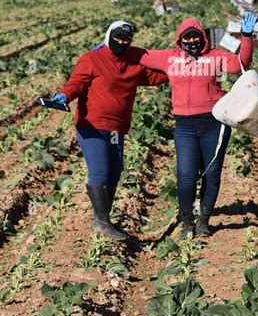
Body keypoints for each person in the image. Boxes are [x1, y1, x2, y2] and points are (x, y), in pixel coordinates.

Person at [137, 12, 257, 238]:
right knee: (186, 175)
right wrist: (108, 46)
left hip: (214, 123)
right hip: (185, 126)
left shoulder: (215, 57)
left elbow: (242, 62)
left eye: (195, 37)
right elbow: (141, 55)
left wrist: (247, 35)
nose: (192, 41)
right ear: (179, 39)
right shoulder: (170, 58)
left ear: (202, 37)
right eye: (187, 38)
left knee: (211, 173)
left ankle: (203, 220)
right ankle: (187, 222)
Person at [47, 21, 168, 241]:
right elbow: (76, 83)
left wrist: (180, 69)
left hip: (116, 128)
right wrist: (64, 96)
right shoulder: (92, 59)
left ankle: (102, 217)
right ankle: (102, 221)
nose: (121, 42)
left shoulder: (133, 65)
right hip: (92, 126)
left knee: (115, 171)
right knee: (100, 171)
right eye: (118, 37)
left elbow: (155, 77)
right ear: (109, 36)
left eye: (126, 39)